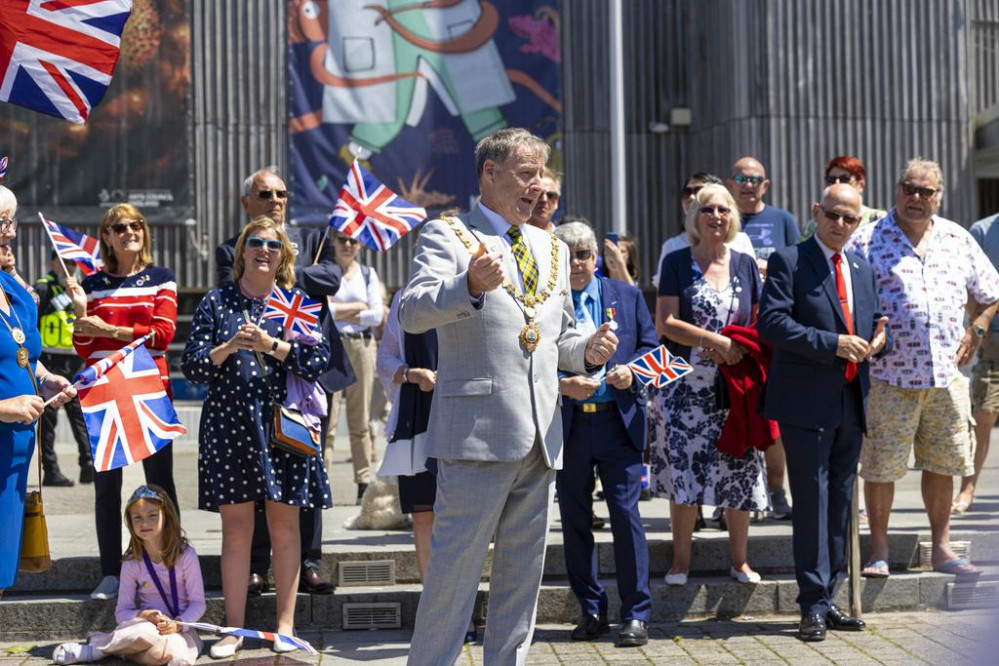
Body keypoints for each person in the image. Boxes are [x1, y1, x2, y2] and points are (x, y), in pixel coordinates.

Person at [399, 128, 617, 663]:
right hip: (475, 436)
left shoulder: (553, 245)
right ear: (489, 173)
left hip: (541, 438)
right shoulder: (449, 235)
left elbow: (557, 340)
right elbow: (412, 310)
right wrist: (467, 286)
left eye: (542, 174)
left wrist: (587, 350)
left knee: (522, 585)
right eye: (526, 174)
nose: (537, 187)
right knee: (453, 579)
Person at [183, 217, 332, 658]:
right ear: (242, 252)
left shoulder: (296, 301)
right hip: (230, 426)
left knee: (286, 527)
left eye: (273, 244)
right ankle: (234, 629)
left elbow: (319, 359)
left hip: (284, 427)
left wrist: (271, 345)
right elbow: (193, 367)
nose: (263, 250)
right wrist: (230, 345)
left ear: (283, 255)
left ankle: (285, 627)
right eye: (255, 243)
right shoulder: (217, 301)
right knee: (236, 530)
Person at [846, 158, 999, 577]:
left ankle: (943, 549)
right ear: (897, 190)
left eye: (924, 192)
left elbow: (992, 292)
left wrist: (979, 327)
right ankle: (878, 550)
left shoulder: (957, 238)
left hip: (946, 377)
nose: (915, 198)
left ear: (938, 197)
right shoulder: (866, 240)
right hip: (887, 377)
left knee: (942, 463)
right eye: (908, 188)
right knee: (880, 466)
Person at [759, 184, 891, 642]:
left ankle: (830, 595)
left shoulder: (862, 266)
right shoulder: (789, 261)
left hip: (851, 401)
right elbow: (772, 323)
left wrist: (879, 340)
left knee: (838, 507)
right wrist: (833, 344)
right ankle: (811, 604)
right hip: (805, 402)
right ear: (816, 211)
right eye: (832, 215)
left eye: (849, 219)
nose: (839, 225)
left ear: (859, 222)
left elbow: (873, 323)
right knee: (812, 506)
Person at [215, 166, 349, 596]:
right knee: (257, 475)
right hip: (255, 381)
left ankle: (309, 562)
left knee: (306, 467)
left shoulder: (311, 240)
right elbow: (233, 287)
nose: (275, 200)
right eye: (265, 193)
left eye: (281, 193)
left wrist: (279, 266)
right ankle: (257, 565)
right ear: (246, 203)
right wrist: (273, 267)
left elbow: (332, 277)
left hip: (307, 377)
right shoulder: (230, 248)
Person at [651, 183, 769, 586]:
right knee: (685, 470)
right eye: (707, 210)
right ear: (694, 217)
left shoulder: (745, 263)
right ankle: (681, 562)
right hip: (685, 385)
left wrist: (736, 348)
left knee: (738, 469)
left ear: (733, 216)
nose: (716, 216)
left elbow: (757, 319)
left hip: (735, 384)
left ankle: (740, 561)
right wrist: (714, 341)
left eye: (723, 209)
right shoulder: (677, 261)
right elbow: (664, 322)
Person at [65, 204, 179, 602]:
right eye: (120, 227)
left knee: (160, 483)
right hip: (105, 392)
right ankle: (111, 572)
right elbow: (84, 345)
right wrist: (81, 312)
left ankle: (169, 563)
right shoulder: (91, 283)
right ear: (108, 237)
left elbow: (163, 335)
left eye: (136, 224)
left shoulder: (162, 278)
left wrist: (109, 328)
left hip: (149, 390)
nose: (130, 230)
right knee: (106, 488)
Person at [554, 220, 657, 647]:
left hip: (618, 424)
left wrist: (630, 374)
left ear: (596, 257)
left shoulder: (627, 296)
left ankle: (635, 614)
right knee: (575, 521)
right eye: (568, 255)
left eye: (584, 254)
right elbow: (528, 357)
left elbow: (652, 349)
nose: (577, 263)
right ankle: (591, 608)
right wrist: (563, 380)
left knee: (625, 516)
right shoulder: (546, 303)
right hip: (570, 425)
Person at [376, 288, 479, 643]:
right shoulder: (405, 299)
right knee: (424, 515)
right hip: (418, 416)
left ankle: (464, 612)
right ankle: (436, 610)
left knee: (464, 516)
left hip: (465, 414)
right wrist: (410, 373)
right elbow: (385, 359)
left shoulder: (471, 290)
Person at [0, 184, 76, 595]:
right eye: (1, 223)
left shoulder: (13, 290)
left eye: (10, 221)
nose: (10, 233)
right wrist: (3, 407)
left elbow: (24, 353)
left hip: (11, 461)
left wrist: (46, 379)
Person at [52, 485, 206, 665]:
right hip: (145, 626)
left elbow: (198, 604)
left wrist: (179, 624)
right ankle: (95, 651)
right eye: (137, 518)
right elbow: (122, 612)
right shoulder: (132, 561)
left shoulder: (186, 555)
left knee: (161, 655)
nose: (145, 523)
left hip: (182, 629)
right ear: (130, 523)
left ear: (167, 517)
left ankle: (116, 650)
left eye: (152, 515)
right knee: (143, 634)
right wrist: (146, 615)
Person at [727, 156, 799, 521]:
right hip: (736, 330)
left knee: (774, 419)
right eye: (741, 177)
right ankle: (733, 495)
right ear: (731, 182)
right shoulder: (723, 219)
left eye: (755, 179)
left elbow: (799, 263)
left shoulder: (783, 220)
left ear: (765, 185)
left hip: (774, 328)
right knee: (737, 411)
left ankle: (776, 489)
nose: (748, 184)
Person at [327, 230, 384, 504]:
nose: (348, 245)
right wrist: (356, 307)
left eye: (353, 240)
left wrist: (341, 309)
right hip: (332, 346)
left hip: (361, 346)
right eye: (342, 240)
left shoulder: (368, 274)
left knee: (360, 420)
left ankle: (363, 481)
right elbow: (323, 311)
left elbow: (376, 314)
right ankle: (321, 480)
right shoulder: (325, 272)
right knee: (328, 419)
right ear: (334, 243)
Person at [35, 251, 94, 487]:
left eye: (74, 263)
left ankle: (88, 464)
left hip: (74, 361)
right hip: (49, 363)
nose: (70, 267)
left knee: (80, 417)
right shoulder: (43, 287)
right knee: (48, 422)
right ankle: (51, 470)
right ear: (53, 263)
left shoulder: (81, 289)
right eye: (65, 263)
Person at [956, 209, 999, 514]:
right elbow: (971, 284)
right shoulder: (982, 230)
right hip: (993, 336)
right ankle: (967, 488)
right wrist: (977, 324)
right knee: (983, 412)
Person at [652, 173, 755, 290]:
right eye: (687, 192)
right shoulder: (671, 247)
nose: (691, 197)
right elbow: (664, 298)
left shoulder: (741, 241)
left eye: (698, 191)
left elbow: (752, 292)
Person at [800, 156, 886, 240]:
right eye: (831, 179)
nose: (837, 184)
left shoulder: (878, 219)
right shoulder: (814, 224)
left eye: (844, 179)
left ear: (861, 185)